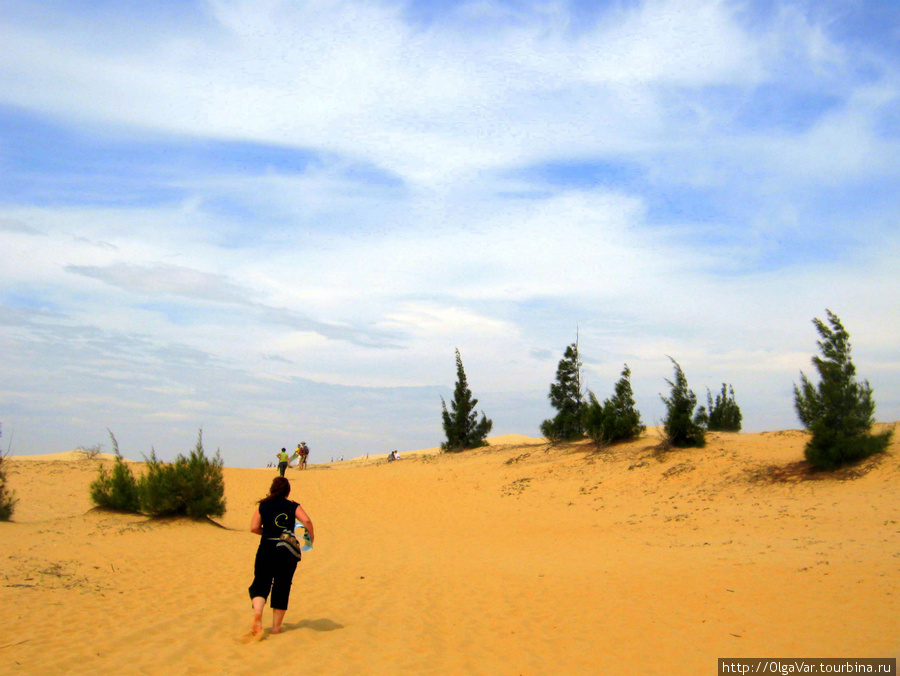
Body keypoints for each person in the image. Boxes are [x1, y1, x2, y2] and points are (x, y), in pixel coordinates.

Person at [247, 476, 315, 638]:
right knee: (282, 585)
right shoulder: (292, 506)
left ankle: (258, 614)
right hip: (286, 549)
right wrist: (310, 537)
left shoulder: (263, 506)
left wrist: (267, 533)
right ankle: (276, 628)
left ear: (272, 489)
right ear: (287, 491)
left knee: (261, 582)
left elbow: (254, 527)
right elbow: (306, 520)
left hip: (266, 547)